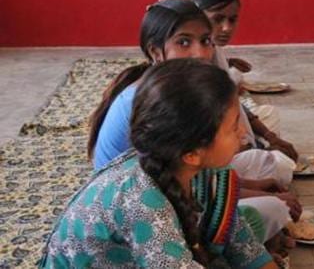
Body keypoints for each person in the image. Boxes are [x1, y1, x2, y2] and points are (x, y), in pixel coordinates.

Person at [87, 0, 300, 260]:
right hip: (149, 198)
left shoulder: (183, 93)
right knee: (269, 210)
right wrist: (256, 193)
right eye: (184, 42)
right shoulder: (156, 105)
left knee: (255, 180)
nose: (200, 53)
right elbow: (173, 184)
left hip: (176, 179)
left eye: (205, 41)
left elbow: (235, 230)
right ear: (155, 52)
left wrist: (250, 185)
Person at [40, 59, 277, 268]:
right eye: (234, 125)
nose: (244, 132)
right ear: (192, 153)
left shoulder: (200, 169)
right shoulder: (142, 202)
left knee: (244, 222)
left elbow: (243, 245)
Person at [191, 0, 298, 161]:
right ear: (198, 17)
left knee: (269, 113)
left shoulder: (215, 51)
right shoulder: (191, 64)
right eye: (217, 19)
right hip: (206, 147)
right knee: (278, 166)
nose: (227, 28)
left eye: (232, 20)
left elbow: (236, 106)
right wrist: (250, 147)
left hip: (229, 131)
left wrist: (270, 137)